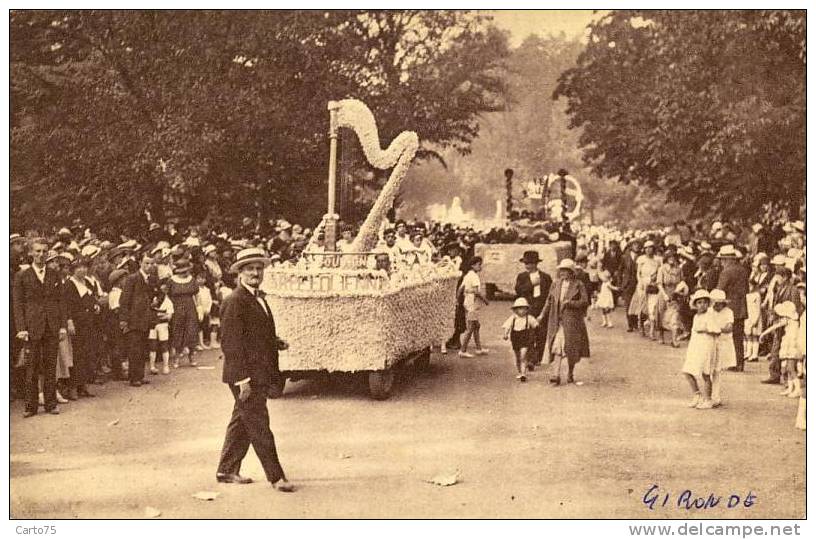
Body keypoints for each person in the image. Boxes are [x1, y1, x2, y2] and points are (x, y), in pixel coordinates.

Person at [217, 247, 294, 492]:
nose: (255, 272)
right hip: (245, 376)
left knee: (242, 420)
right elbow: (231, 343)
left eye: (259, 268)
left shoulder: (257, 297)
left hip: (258, 372)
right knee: (259, 424)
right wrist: (242, 380)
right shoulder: (234, 300)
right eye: (250, 268)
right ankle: (276, 477)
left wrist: (275, 341)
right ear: (239, 272)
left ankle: (226, 470)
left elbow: (254, 333)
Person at [12, 238, 69, 416]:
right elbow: (18, 304)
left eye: (44, 251)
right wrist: (21, 328)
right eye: (37, 251)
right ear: (30, 253)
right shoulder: (22, 276)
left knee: (51, 366)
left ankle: (51, 404)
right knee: (32, 368)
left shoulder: (54, 275)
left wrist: (62, 326)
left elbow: (61, 302)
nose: (41, 255)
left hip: (51, 326)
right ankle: (31, 406)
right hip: (32, 327)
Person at [539, 259, 590, 386]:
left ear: (571, 272)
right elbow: (549, 301)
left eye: (565, 270)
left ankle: (570, 373)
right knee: (557, 347)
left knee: (570, 348)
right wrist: (541, 315)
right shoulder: (556, 284)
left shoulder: (578, 284)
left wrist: (571, 303)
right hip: (556, 319)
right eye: (561, 270)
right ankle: (555, 375)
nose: (562, 273)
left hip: (572, 321)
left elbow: (585, 301)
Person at [119, 251, 157, 387]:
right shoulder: (133, 278)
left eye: (152, 263)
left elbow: (153, 295)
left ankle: (140, 375)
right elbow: (124, 300)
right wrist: (124, 319)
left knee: (142, 348)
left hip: (145, 318)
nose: (149, 266)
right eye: (146, 263)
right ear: (140, 263)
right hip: (134, 319)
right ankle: (134, 377)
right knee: (134, 348)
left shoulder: (151, 279)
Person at [63, 256, 98, 399]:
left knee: (87, 353)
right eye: (79, 268)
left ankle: (84, 385)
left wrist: (95, 306)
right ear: (73, 270)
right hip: (76, 323)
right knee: (76, 355)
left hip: (88, 323)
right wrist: (69, 321)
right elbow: (66, 306)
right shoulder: (69, 285)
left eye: (84, 267)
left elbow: (92, 299)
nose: (82, 270)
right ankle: (72, 387)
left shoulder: (88, 283)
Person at [513, 250, 552, 366]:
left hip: (541, 308)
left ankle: (538, 357)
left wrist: (547, 309)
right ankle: (530, 358)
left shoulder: (545, 277)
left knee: (541, 334)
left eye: (530, 263)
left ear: (536, 264)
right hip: (527, 308)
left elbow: (549, 294)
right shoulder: (522, 277)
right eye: (526, 263)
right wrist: (531, 284)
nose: (527, 266)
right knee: (528, 334)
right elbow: (518, 291)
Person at [716, 246, 749, 372]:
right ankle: (739, 363)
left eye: (723, 259)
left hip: (730, 306)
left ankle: (732, 362)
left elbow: (720, 290)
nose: (721, 262)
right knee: (738, 336)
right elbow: (747, 289)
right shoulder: (743, 270)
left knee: (728, 335)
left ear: (728, 259)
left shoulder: (726, 272)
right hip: (741, 306)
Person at [681, 289, 716, 409]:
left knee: (705, 374)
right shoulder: (696, 316)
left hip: (706, 347)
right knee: (687, 371)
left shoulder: (710, 315)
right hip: (695, 347)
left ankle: (708, 399)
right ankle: (697, 395)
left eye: (704, 302)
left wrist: (706, 330)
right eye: (699, 302)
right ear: (695, 305)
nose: (702, 305)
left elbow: (717, 331)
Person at [761, 301, 802, 398]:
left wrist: (763, 334)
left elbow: (775, 326)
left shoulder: (788, 320)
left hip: (791, 346)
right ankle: (790, 388)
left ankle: (798, 388)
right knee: (787, 368)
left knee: (791, 368)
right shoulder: (794, 320)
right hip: (789, 344)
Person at [168, 259, 200, 367]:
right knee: (178, 331)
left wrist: (199, 308)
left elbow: (196, 295)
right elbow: (167, 296)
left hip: (190, 307)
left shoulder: (192, 280)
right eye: (183, 271)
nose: (185, 273)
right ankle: (177, 358)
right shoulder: (172, 281)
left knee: (191, 330)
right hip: (177, 307)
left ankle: (191, 356)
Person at [708, 289, 736, 407]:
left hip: (723, 343)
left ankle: (716, 396)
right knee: (708, 369)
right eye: (715, 303)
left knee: (717, 370)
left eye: (719, 303)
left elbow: (729, 327)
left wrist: (718, 329)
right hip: (710, 342)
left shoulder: (728, 312)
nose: (717, 305)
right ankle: (708, 395)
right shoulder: (709, 311)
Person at [458, 256, 489, 358]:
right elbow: (476, 291)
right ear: (473, 265)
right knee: (471, 327)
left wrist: (458, 300)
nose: (480, 267)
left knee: (476, 326)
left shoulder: (467, 276)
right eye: (479, 264)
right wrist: (485, 300)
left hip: (467, 302)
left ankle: (479, 348)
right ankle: (463, 350)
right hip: (472, 303)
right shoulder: (474, 276)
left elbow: (460, 289)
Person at [502, 298, 538, 382]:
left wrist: (536, 330)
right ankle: (519, 371)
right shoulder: (513, 318)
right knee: (518, 356)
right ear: (516, 310)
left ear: (527, 309)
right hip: (515, 338)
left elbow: (536, 325)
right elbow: (507, 326)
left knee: (523, 355)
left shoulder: (529, 318)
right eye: (519, 308)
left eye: (524, 308)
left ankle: (523, 374)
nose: (522, 311)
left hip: (525, 338)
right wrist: (505, 334)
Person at [148, 279, 174, 375]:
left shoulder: (168, 302)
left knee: (164, 344)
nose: (163, 290)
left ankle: (166, 366)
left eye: (166, 289)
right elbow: (149, 311)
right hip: (153, 325)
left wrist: (158, 315)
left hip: (163, 325)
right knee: (152, 345)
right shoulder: (153, 299)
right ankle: (152, 366)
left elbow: (169, 316)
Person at [618, 241, 640, 332]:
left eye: (638, 245)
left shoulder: (641, 257)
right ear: (631, 246)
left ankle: (636, 323)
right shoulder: (624, 257)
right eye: (635, 245)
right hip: (627, 283)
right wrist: (620, 283)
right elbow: (620, 270)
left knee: (637, 303)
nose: (637, 247)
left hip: (638, 283)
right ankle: (630, 324)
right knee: (628, 303)